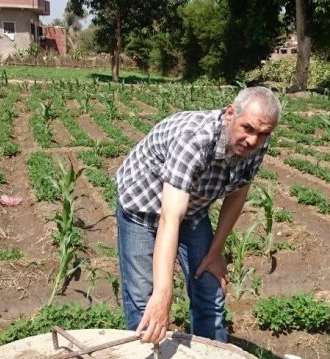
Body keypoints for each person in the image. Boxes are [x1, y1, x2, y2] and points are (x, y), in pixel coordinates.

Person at [114, 86, 282, 344]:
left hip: (191, 208)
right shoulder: (194, 139)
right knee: (144, 301)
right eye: (247, 128)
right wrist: (164, 292)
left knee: (210, 291)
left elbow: (238, 194)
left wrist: (215, 252)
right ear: (230, 113)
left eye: (262, 133)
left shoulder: (257, 143)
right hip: (142, 204)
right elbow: (170, 218)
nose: (252, 140)